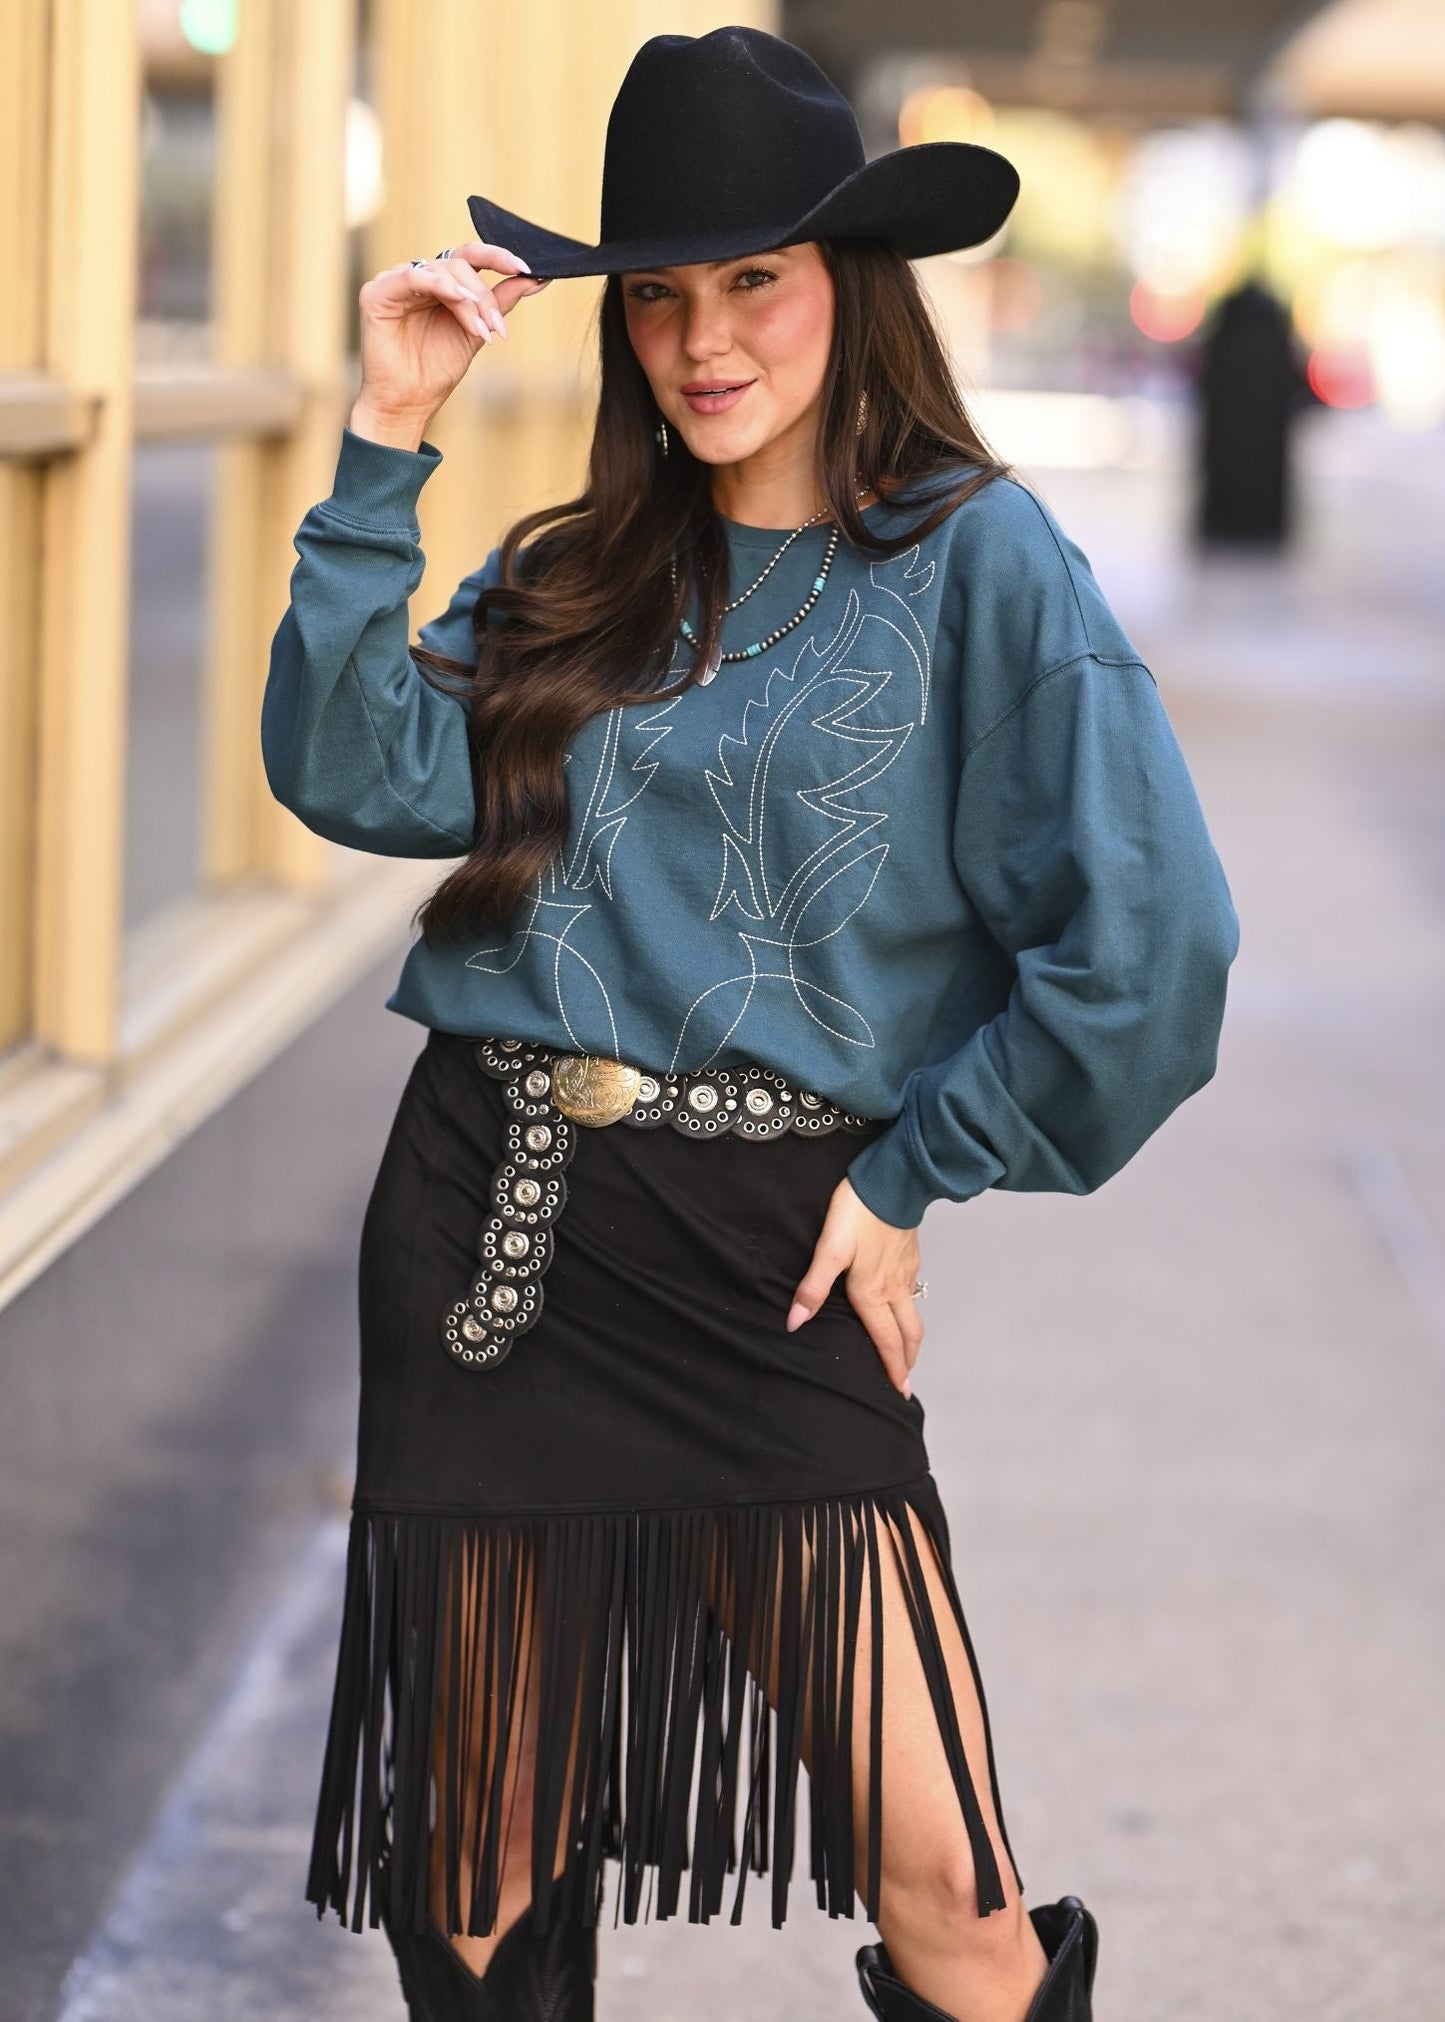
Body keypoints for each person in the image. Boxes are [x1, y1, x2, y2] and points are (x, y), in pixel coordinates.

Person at [262, 26, 1239, 2022]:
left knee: (952, 1881)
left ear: (851, 289)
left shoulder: (978, 563)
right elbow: (347, 764)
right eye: (664, 298)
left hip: (775, 1263)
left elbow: (1150, 952)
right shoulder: (580, 574)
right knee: (484, 1851)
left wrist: (911, 1174)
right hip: (499, 1234)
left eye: (756, 284)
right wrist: (390, 434)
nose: (705, 343)